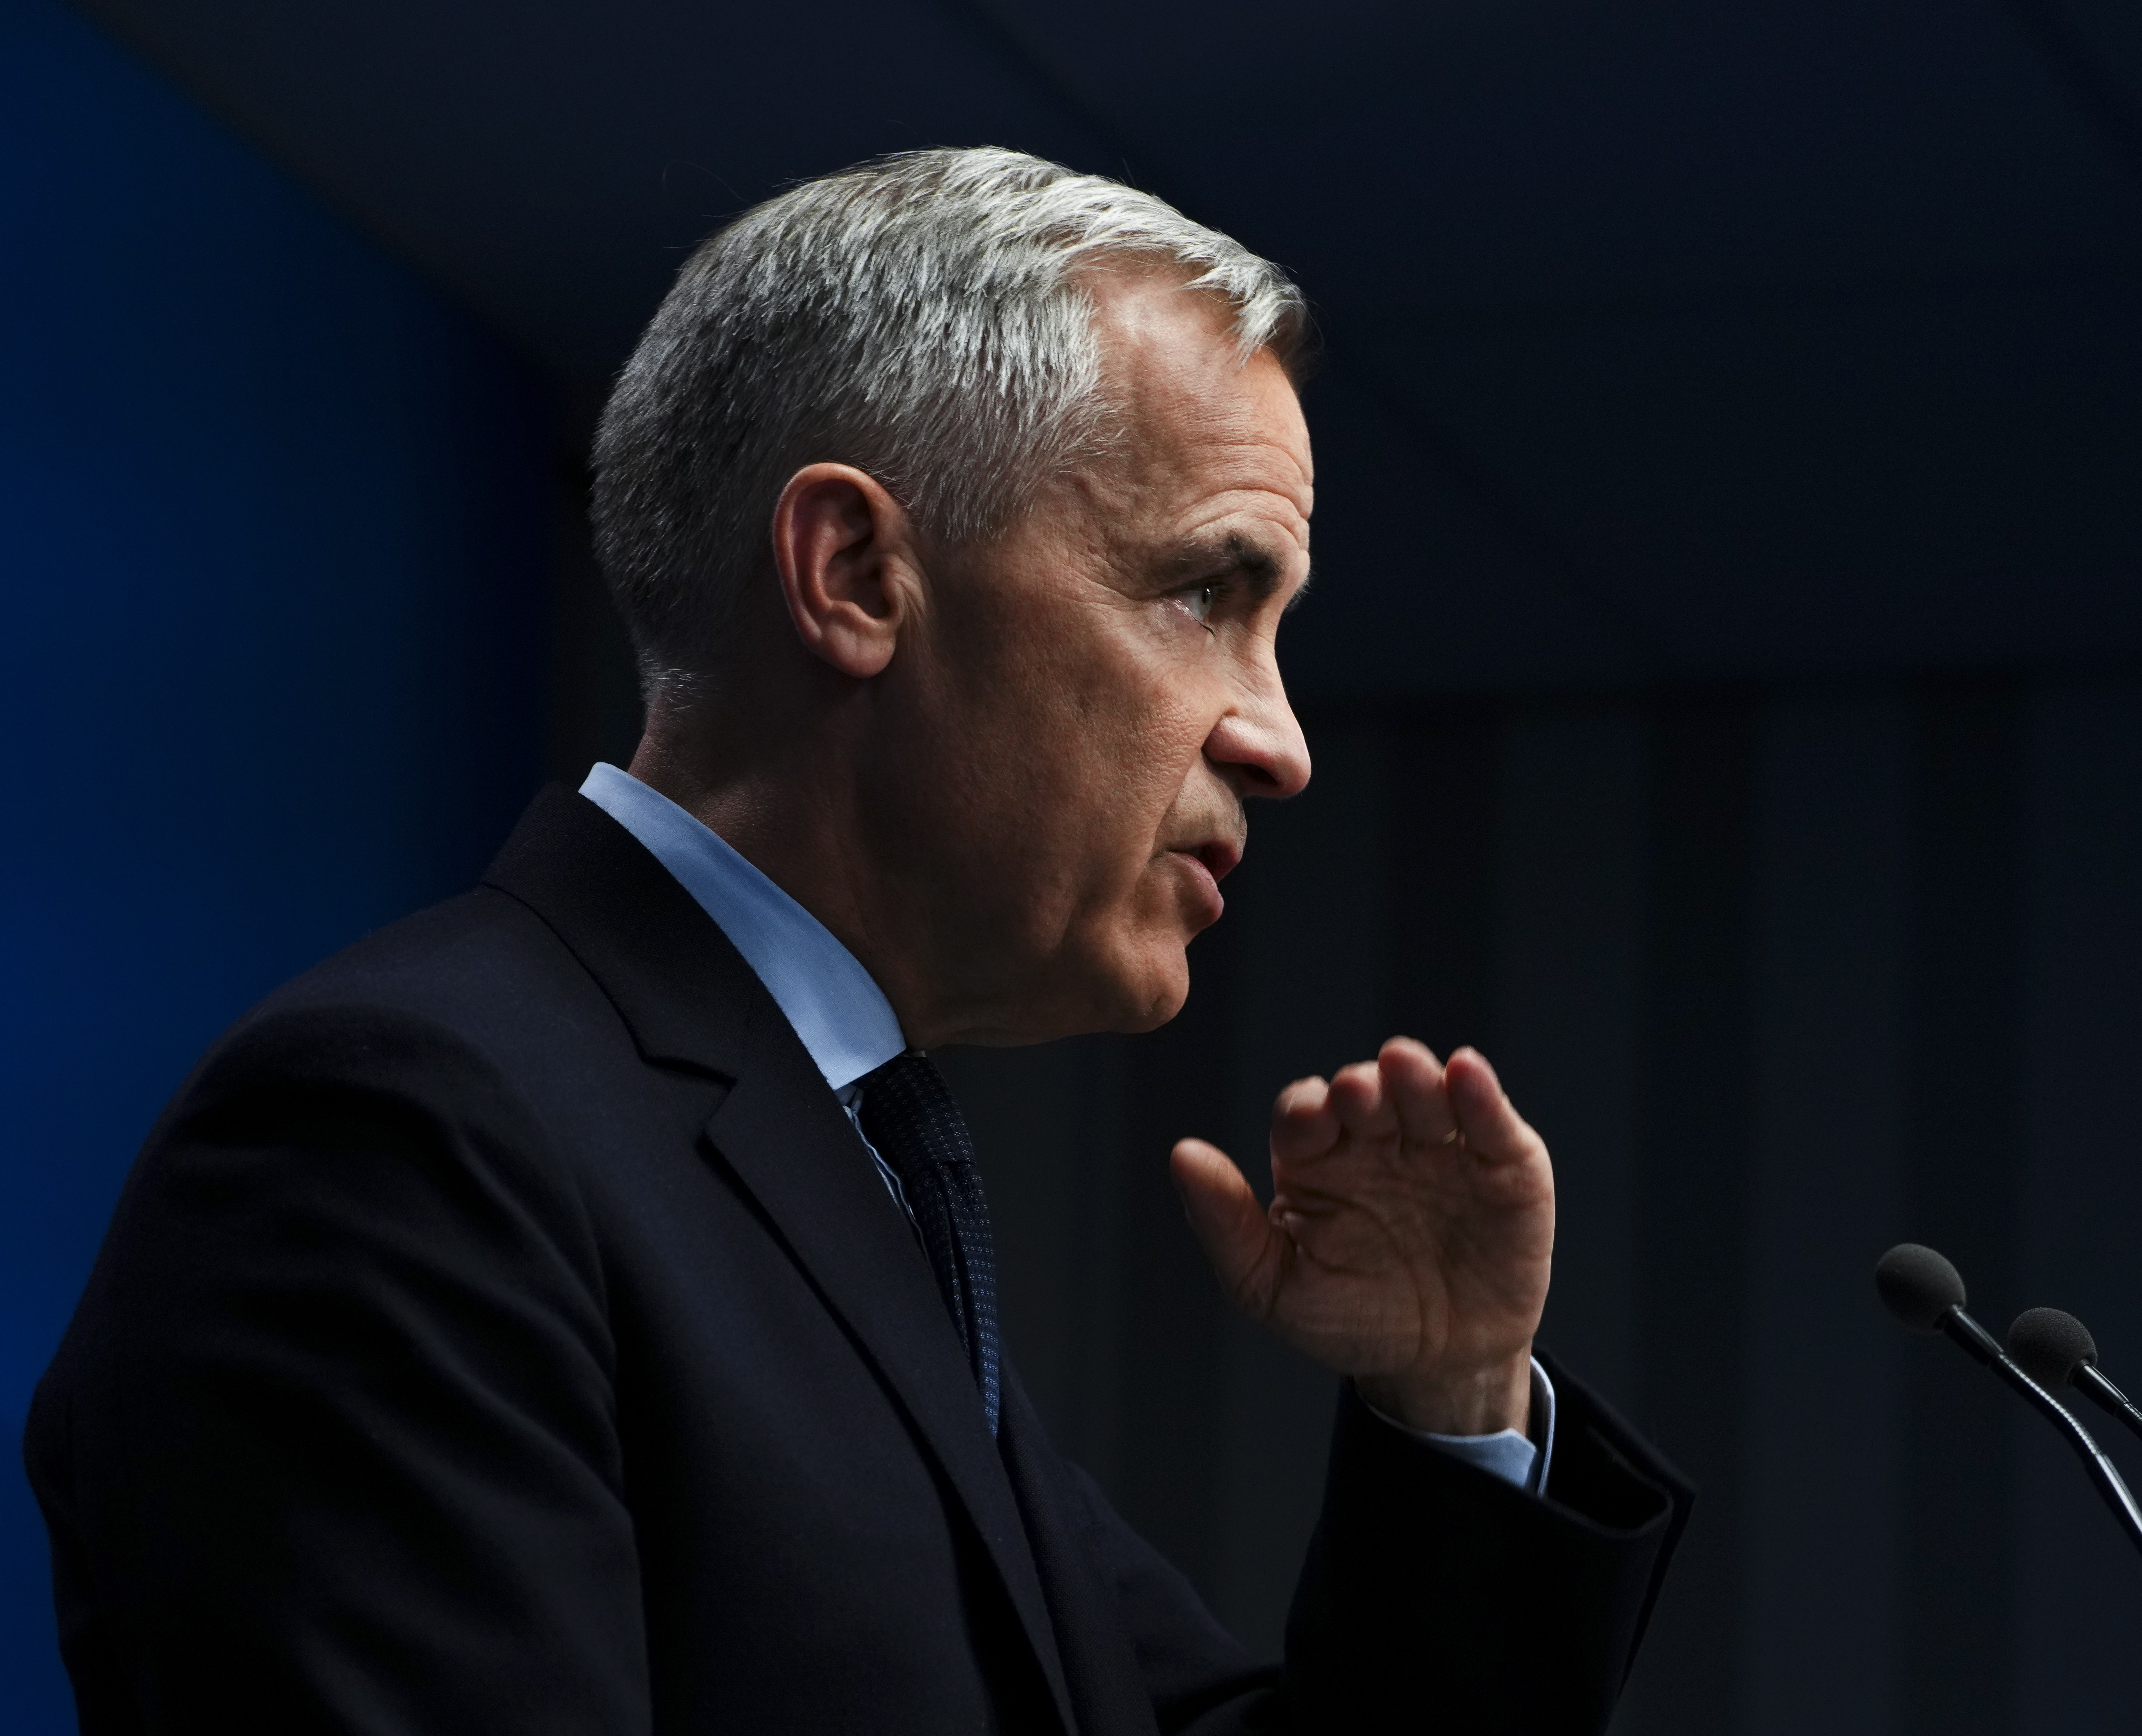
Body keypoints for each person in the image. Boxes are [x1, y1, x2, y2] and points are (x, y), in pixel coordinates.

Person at [26, 148, 1689, 1734]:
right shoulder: (406, 1136)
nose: (1281, 738)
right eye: (1204, 594)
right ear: (855, 575)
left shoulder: (844, 1175)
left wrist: (1454, 1403)